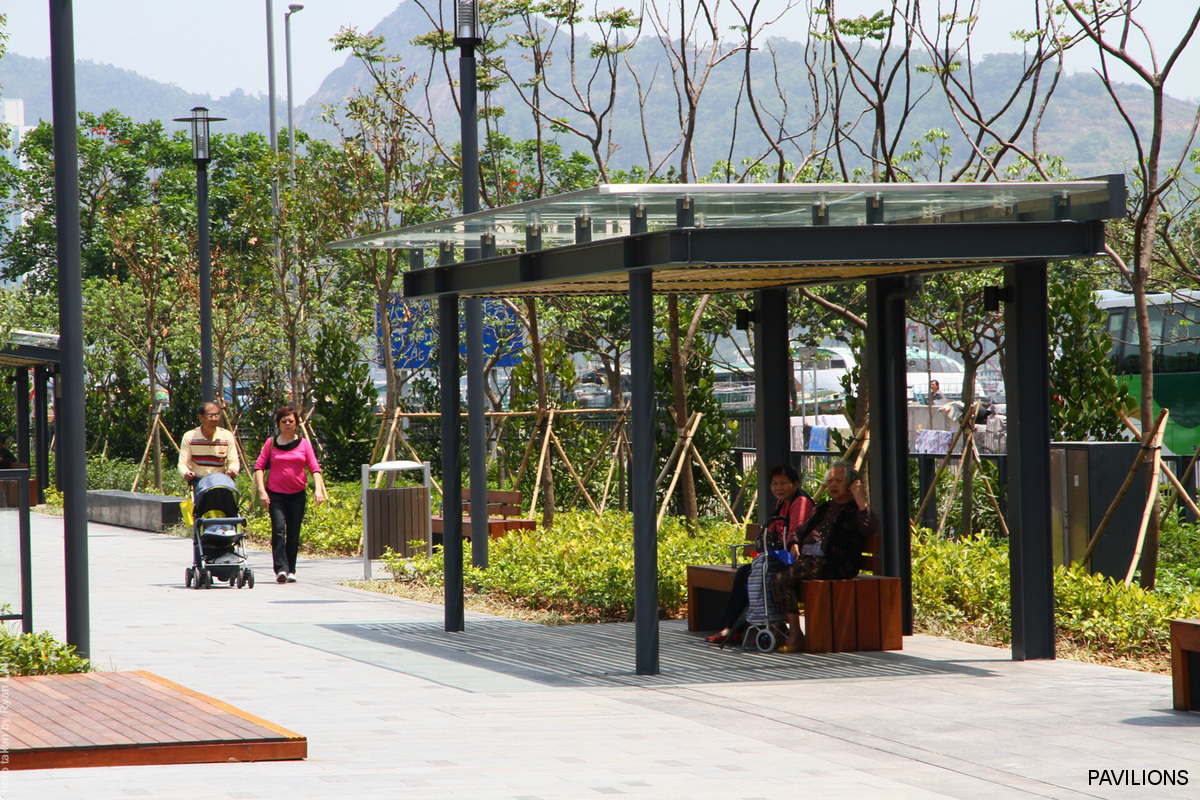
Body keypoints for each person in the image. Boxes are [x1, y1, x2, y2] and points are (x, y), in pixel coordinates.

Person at [772, 461, 879, 653]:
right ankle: (778, 629)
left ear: (851, 483)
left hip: (834, 563)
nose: (832, 485)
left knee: (781, 579)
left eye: (838, 480)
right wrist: (794, 544)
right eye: (830, 481)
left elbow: (868, 527)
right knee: (768, 572)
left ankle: (796, 635)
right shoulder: (824, 508)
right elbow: (801, 530)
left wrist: (860, 498)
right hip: (810, 561)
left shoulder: (856, 510)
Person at [705, 464, 814, 644]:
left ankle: (752, 627)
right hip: (779, 555)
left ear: (795, 484)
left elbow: (796, 534)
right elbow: (772, 530)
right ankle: (734, 627)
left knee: (755, 574)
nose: (778, 488)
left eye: (783, 483)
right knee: (744, 573)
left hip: (794, 558)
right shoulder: (782, 503)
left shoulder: (801, 502)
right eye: (774, 483)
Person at [254, 406, 327, 584]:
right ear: (278, 424)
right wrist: (262, 491)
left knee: (294, 533)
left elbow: (314, 468)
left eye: (291, 421)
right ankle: (281, 569)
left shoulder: (304, 444)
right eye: (284, 421)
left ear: (296, 424)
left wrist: (318, 490)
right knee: (279, 530)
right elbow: (259, 467)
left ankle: (291, 569)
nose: (287, 424)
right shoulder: (271, 443)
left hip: (297, 495)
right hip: (275, 495)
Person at [178, 401, 240, 481]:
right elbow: (182, 463)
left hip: (220, 481)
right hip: (198, 481)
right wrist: (186, 473)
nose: (213, 419)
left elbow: (233, 460)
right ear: (201, 417)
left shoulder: (227, 436)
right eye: (209, 416)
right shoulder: (189, 437)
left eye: (216, 415)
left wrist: (233, 469)